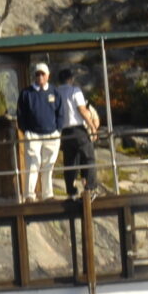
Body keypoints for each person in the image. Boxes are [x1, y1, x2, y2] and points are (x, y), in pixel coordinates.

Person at [17, 62, 64, 199]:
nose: (40, 76)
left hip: (52, 134)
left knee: (48, 166)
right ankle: (29, 195)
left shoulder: (55, 92)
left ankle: (47, 194)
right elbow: (20, 114)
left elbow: (60, 112)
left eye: (42, 74)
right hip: (33, 135)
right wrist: (25, 131)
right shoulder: (26, 93)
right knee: (33, 165)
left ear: (48, 75)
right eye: (37, 74)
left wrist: (58, 130)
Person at [55, 66, 102, 203]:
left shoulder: (56, 93)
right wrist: (92, 127)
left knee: (70, 162)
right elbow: (81, 109)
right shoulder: (75, 90)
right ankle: (90, 188)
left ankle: (71, 191)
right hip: (78, 129)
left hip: (65, 131)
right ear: (71, 79)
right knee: (88, 158)